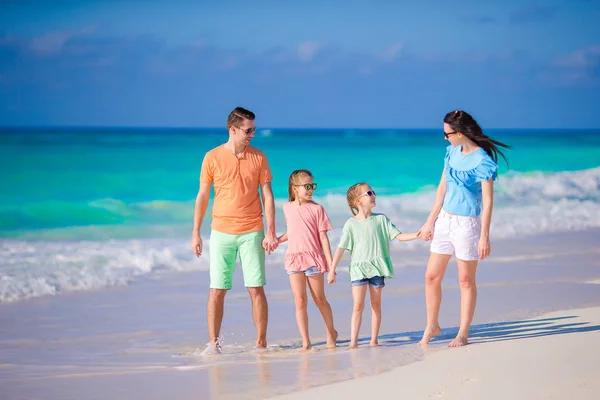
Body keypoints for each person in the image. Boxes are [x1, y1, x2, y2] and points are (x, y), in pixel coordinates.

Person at [417, 109, 510, 347]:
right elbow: (442, 189)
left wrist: (484, 237)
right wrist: (430, 220)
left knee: (465, 280)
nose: (445, 138)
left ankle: (463, 333)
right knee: (431, 276)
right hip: (445, 221)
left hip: (468, 225)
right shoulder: (450, 152)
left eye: (447, 134)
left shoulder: (482, 161)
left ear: (459, 133)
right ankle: (432, 325)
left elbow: (488, 201)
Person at [191, 106, 279, 355]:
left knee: (256, 288)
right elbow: (202, 196)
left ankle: (261, 344)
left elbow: (268, 197)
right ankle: (213, 344)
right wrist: (196, 231)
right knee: (217, 289)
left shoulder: (259, 157)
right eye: (248, 130)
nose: (252, 134)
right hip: (221, 232)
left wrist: (271, 231)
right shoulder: (212, 157)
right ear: (233, 129)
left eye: (254, 129)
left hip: (252, 230)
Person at [328, 183, 419, 348]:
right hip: (358, 269)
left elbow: (399, 236)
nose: (373, 195)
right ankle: (353, 341)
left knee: (375, 304)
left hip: (377, 268)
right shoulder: (351, 224)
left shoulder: (381, 219)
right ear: (358, 201)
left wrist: (417, 235)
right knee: (358, 306)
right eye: (369, 193)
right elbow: (341, 247)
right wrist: (332, 269)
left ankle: (373, 340)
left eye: (373, 192)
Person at [277, 169, 338, 351]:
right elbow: (293, 231)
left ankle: (331, 332)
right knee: (300, 301)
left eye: (313, 186)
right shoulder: (287, 208)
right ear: (295, 189)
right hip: (294, 259)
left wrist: (331, 265)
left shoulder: (317, 209)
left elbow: (323, 238)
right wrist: (277, 240)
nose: (311, 189)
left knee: (319, 299)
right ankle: (306, 341)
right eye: (307, 186)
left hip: (313, 259)